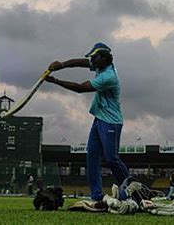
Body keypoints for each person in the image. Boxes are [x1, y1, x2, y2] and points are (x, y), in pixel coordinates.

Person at [46, 42, 129, 205]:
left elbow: (79, 88)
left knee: (111, 159)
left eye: (94, 57)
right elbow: (80, 62)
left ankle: (132, 188)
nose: (92, 61)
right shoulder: (100, 66)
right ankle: (96, 195)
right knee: (92, 157)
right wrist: (61, 65)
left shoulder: (108, 76)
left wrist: (55, 80)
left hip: (111, 122)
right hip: (99, 119)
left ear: (104, 58)